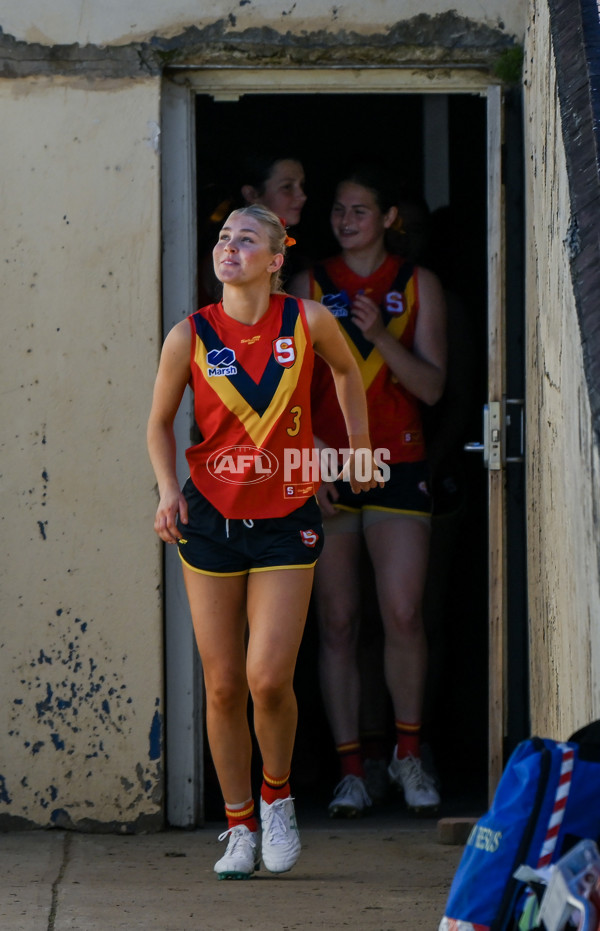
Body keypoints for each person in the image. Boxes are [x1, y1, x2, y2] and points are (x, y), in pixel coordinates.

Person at [147, 204, 381, 879]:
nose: (230, 247)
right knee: (222, 686)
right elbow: (159, 423)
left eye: (247, 239)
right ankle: (239, 824)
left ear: (276, 258)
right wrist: (167, 489)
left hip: (287, 513)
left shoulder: (307, 320)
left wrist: (358, 448)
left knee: (267, 677)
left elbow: (346, 372)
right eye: (223, 237)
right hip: (210, 516)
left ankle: (277, 800)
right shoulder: (187, 334)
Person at [289, 166, 447, 817]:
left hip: (398, 463)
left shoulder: (417, 284)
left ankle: (408, 757)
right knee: (337, 621)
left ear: (387, 218)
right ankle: (352, 768)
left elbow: (434, 387)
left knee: (403, 613)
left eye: (360, 209)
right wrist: (308, 459)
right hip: (329, 469)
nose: (346, 219)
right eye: (338, 208)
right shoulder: (309, 282)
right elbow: (288, 390)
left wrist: (379, 333)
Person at [198, 154, 307, 306]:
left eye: (301, 185)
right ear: (251, 194)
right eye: (287, 187)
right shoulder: (229, 254)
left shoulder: (290, 247)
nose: (302, 196)